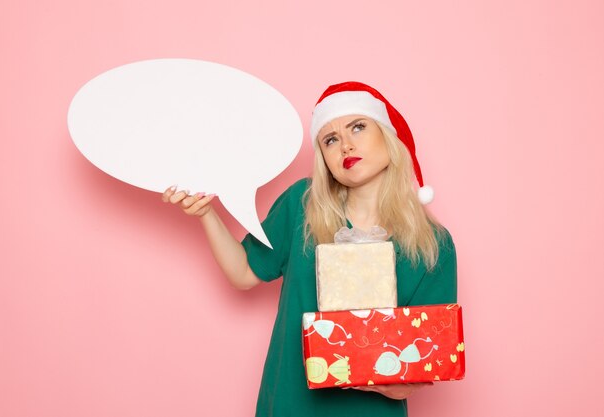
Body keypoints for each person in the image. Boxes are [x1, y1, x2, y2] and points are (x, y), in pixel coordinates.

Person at [162, 81, 457, 417]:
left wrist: (386, 374)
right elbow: (244, 272)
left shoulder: (434, 244)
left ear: (388, 137)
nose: (345, 145)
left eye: (358, 127)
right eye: (330, 139)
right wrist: (206, 213)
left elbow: (428, 356)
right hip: (291, 405)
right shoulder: (301, 206)